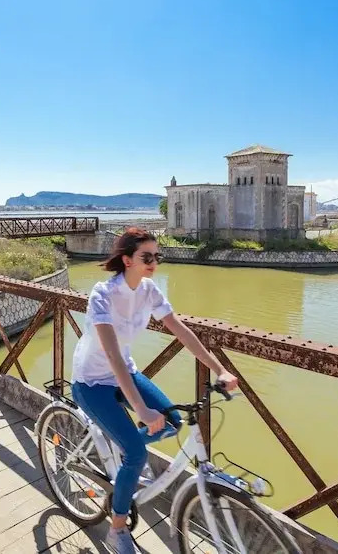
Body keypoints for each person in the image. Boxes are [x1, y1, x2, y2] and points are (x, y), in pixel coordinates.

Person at [71, 227, 239, 554]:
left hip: (126, 373)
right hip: (92, 382)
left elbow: (181, 331)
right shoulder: (102, 294)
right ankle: (117, 528)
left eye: (156, 256)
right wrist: (142, 410)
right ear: (127, 259)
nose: (153, 263)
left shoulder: (148, 290)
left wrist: (220, 369)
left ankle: (124, 444)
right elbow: (112, 354)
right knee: (137, 452)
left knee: (174, 422)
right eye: (146, 257)